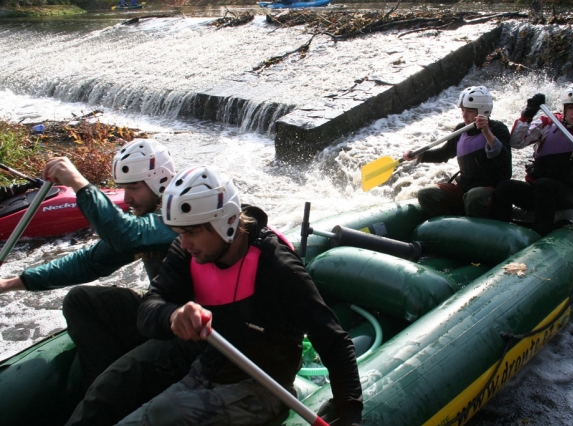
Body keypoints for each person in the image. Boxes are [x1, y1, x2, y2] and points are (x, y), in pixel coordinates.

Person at [103, 165, 363, 426]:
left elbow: (334, 340)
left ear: (225, 221)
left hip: (264, 389)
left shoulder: (277, 266)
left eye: (192, 232)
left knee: (165, 412)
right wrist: (173, 315)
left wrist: (349, 409)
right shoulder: (187, 252)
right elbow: (149, 307)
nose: (183, 244)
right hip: (207, 371)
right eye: (180, 233)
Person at [0, 139, 179, 392]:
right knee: (80, 299)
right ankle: (100, 385)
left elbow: (126, 235)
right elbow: (90, 261)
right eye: (123, 189)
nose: (127, 199)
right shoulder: (145, 220)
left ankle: (108, 392)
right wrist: (10, 284)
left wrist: (78, 182)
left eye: (134, 188)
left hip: (187, 326)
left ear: (160, 182)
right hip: (159, 312)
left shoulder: (180, 216)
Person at [491, 84, 573, 236]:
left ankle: (540, 236)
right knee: (505, 187)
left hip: (567, 195)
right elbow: (516, 142)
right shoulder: (547, 124)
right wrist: (528, 114)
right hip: (537, 190)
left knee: (544, 185)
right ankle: (498, 235)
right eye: (571, 107)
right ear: (565, 109)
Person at [403, 85, 511, 219]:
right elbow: (443, 153)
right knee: (426, 193)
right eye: (463, 110)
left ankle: (474, 231)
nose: (464, 115)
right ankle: (448, 226)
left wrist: (486, 132)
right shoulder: (461, 129)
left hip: (490, 190)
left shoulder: (498, 129)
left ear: (483, 111)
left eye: (470, 111)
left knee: (475, 196)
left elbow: (504, 160)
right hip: (464, 187)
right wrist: (418, 155)